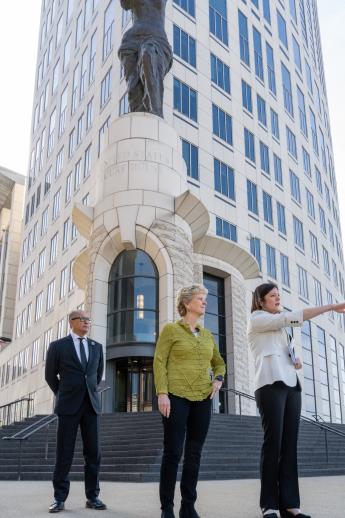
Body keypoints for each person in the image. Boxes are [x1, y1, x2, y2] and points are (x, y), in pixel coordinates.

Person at [247, 282, 345, 518]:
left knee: (289, 447)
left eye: (279, 295)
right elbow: (295, 317)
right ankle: (269, 505)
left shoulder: (282, 325)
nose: (278, 298)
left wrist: (296, 359)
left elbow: (286, 349)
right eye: (273, 295)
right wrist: (331, 307)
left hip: (292, 386)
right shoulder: (258, 319)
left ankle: (290, 505)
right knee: (273, 445)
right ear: (261, 301)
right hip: (270, 385)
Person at [153, 284, 226, 518]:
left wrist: (218, 380)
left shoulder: (207, 335)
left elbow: (219, 362)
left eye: (205, 299)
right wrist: (162, 393)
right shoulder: (171, 330)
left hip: (203, 398)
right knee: (173, 452)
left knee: (194, 453)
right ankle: (167, 507)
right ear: (186, 303)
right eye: (200, 298)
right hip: (175, 396)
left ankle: (188, 505)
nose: (205, 302)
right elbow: (159, 361)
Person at [45, 310, 106, 513]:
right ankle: (59, 498)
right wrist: (63, 393)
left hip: (91, 406)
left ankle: (93, 497)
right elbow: (50, 376)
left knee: (93, 453)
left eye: (89, 319)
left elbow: (96, 376)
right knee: (64, 453)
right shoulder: (58, 346)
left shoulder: (96, 347)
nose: (87, 322)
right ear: (71, 322)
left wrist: (87, 392)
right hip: (68, 407)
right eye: (83, 319)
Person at [118, 0, 173, 118]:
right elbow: (125, 4)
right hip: (131, 40)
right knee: (133, 85)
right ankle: (139, 119)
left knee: (148, 55)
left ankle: (155, 113)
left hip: (156, 38)